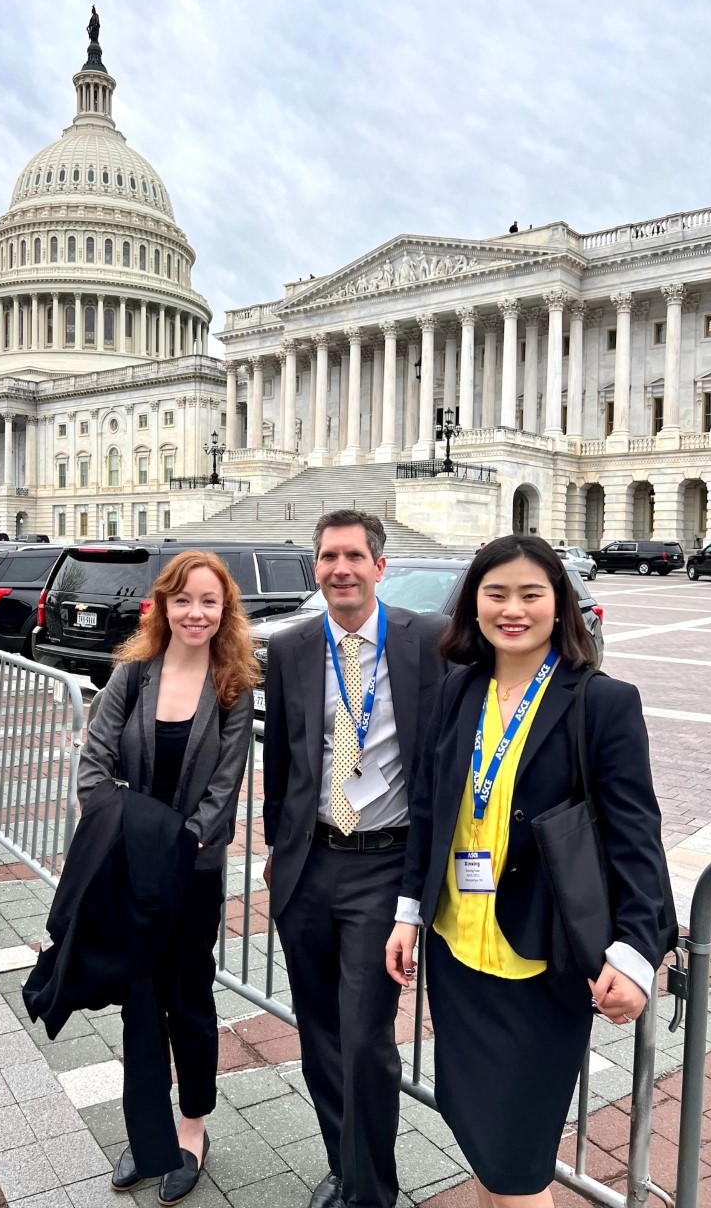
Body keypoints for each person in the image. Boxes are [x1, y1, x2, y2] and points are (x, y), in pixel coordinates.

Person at [386, 535, 668, 1208]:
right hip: (458, 956)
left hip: (542, 961)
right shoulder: (458, 690)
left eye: (531, 594)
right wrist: (407, 911)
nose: (513, 609)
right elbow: (431, 805)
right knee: (486, 1146)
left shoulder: (602, 702)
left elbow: (637, 838)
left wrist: (637, 954)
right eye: (496, 594)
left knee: (518, 1166)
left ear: (559, 603)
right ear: (474, 604)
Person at [263, 511, 447, 1208]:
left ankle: (371, 1190)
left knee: (366, 1036)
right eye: (327, 556)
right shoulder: (291, 646)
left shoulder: (425, 639)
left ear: (379, 565)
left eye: (353, 556)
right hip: (309, 862)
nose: (340, 568)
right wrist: (277, 848)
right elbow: (280, 760)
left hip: (382, 865)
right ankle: (345, 1163)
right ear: (316, 567)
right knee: (319, 1034)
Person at [77, 550, 258, 1205]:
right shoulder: (131, 677)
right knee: (140, 1005)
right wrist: (131, 839)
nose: (196, 613)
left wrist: (172, 849)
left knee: (189, 1000)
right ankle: (147, 1129)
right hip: (128, 868)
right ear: (163, 605)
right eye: (184, 600)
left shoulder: (233, 687)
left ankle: (192, 1129)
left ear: (224, 610)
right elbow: (92, 768)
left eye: (209, 602)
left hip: (189, 875)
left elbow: (222, 793)